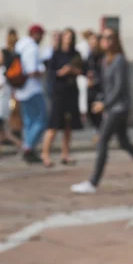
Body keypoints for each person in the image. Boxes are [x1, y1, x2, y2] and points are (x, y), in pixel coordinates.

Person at [71, 27, 133, 194]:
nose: (106, 40)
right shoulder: (106, 59)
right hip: (114, 107)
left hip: (118, 108)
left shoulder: (118, 59)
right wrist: (93, 82)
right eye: (103, 37)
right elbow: (107, 84)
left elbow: (119, 87)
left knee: (103, 141)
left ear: (116, 40)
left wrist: (105, 105)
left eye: (110, 37)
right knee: (125, 143)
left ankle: (93, 183)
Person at [40, 28, 83, 167]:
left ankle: (65, 153)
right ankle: (45, 153)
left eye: (71, 37)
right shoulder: (56, 53)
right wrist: (62, 72)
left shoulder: (76, 54)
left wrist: (73, 70)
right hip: (58, 92)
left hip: (71, 92)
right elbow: (51, 73)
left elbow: (82, 70)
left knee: (67, 125)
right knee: (53, 124)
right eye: (66, 36)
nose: (68, 39)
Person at [0, 29, 23, 164]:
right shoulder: (2, 70)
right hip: (1, 105)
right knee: (3, 132)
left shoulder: (1, 71)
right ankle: (22, 145)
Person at [15, 24, 47, 164]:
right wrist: (43, 70)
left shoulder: (20, 45)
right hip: (32, 89)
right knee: (41, 120)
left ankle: (30, 150)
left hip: (21, 89)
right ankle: (28, 146)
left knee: (28, 122)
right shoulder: (32, 48)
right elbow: (32, 70)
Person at [85, 33, 104, 130]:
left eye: (94, 42)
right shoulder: (90, 56)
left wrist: (95, 81)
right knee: (91, 112)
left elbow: (105, 75)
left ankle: (101, 135)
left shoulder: (103, 57)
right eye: (90, 42)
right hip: (91, 89)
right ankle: (99, 132)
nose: (92, 44)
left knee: (100, 113)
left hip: (101, 89)